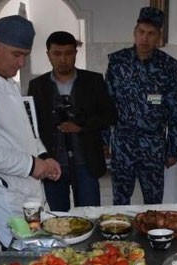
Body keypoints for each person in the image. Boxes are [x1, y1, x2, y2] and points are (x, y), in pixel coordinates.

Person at [0, 15, 62, 246]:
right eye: (16, 55)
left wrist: (43, 156)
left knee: (36, 246)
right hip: (2, 191)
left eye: (25, 56)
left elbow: (24, 129)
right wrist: (31, 165)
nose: (21, 63)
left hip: (24, 186)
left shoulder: (3, 78)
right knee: (23, 249)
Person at [28, 31, 117, 211]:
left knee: (90, 214)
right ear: (48, 55)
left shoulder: (93, 80)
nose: (63, 59)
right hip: (53, 162)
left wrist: (82, 126)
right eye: (57, 54)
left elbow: (110, 115)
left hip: (86, 162)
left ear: (76, 53)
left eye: (68, 53)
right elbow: (32, 125)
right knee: (58, 217)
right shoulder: (37, 86)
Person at [104, 7, 177, 205]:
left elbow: (174, 109)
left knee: (154, 202)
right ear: (134, 32)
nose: (145, 38)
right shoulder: (117, 62)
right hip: (122, 144)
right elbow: (107, 104)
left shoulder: (168, 66)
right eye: (141, 32)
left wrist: (173, 149)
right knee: (120, 202)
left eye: (151, 33)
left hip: (153, 146)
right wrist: (104, 141)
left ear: (158, 37)